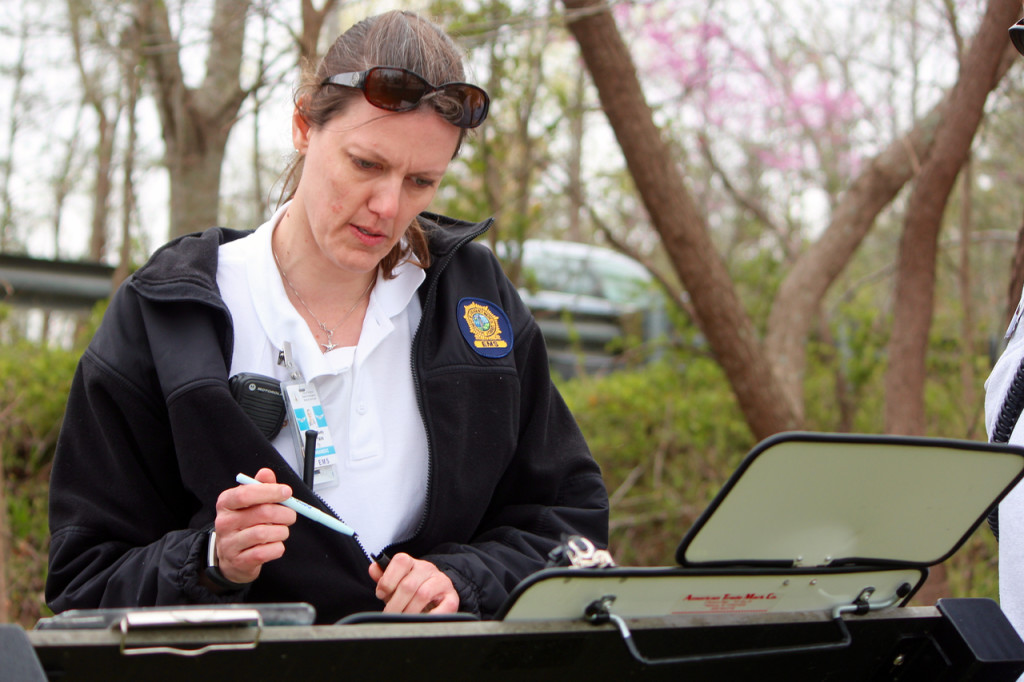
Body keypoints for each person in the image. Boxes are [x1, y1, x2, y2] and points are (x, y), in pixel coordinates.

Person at [45, 10, 609, 624]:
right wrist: (209, 559)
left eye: (422, 181)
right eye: (366, 164)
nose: (389, 207)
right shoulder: (170, 316)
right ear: (302, 125)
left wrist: (461, 580)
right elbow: (84, 583)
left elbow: (567, 529)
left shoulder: (474, 308)